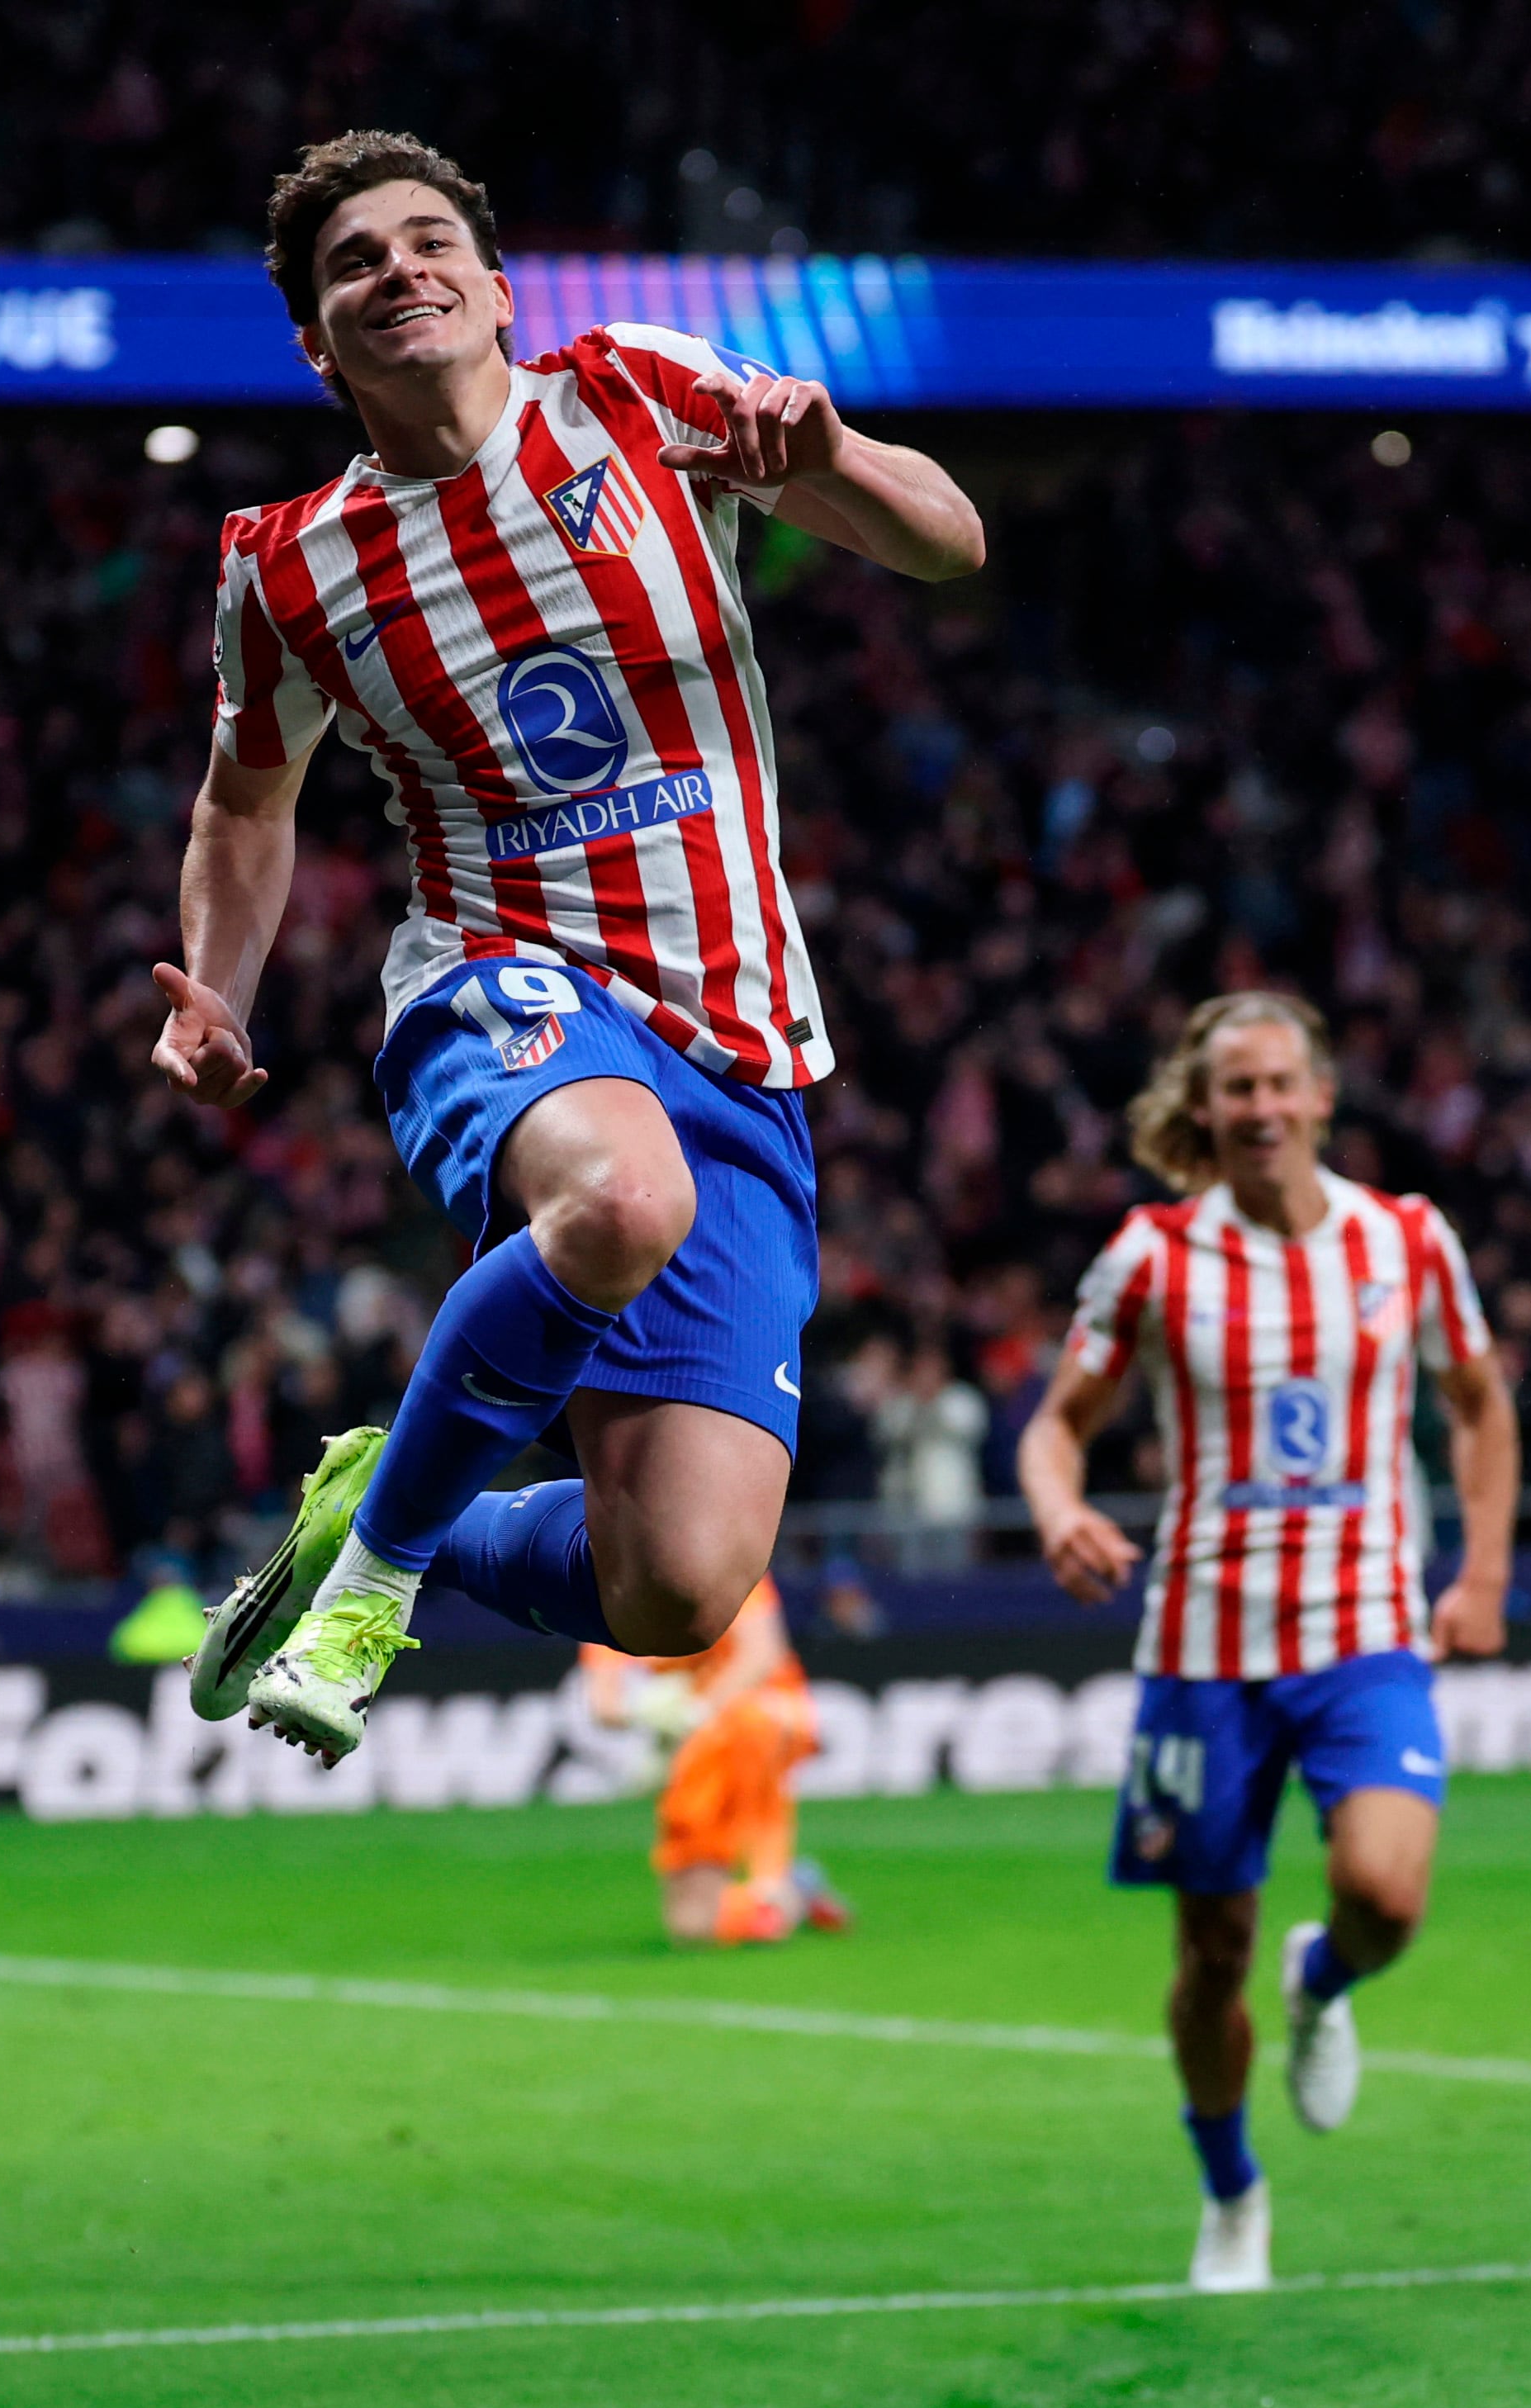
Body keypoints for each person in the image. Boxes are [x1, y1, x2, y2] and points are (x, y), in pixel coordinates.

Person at [150, 130, 985, 1764]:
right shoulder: (286, 566)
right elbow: (243, 807)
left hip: (738, 1037)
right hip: (498, 977)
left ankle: (369, 1509)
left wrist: (828, 459)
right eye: (352, 263)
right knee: (613, 1198)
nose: (396, 267)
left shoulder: (638, 393)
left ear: (494, 287)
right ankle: (368, 1599)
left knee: (674, 1585)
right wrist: (219, 994)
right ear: (318, 345)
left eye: (423, 240)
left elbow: (947, 540)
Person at [1012, 991, 1517, 2296]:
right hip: (1201, 1643)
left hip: (1365, 1631)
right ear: (1202, 1108)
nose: (1257, 1108)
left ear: (1318, 1095)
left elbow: (1477, 1401)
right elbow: (1056, 1421)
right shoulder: (1153, 1253)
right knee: (1205, 1952)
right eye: (1232, 1087)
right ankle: (1230, 2188)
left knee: (1387, 1893)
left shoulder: (1403, 1238)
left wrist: (1484, 1569)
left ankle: (1327, 1973)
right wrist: (1060, 1508)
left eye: (1276, 1082)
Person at [577, 1574, 852, 1946]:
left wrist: (694, 1713)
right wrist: (650, 1712)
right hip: (694, 1748)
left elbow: (761, 1655)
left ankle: (770, 1883)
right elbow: (603, 1705)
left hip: (762, 1717)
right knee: (692, 1930)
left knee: (746, 1724)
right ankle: (795, 1889)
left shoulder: (723, 1565)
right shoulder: (606, 1592)